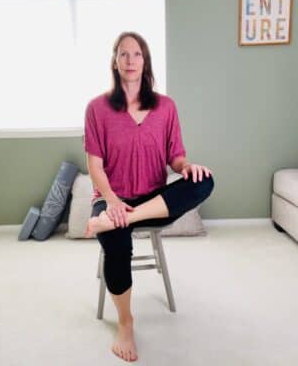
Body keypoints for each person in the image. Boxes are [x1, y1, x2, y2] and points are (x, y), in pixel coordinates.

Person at [83, 31, 215, 363]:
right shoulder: (97, 109)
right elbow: (95, 167)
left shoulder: (165, 107)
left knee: (204, 181)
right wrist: (112, 202)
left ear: (146, 60)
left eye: (137, 54)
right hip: (112, 197)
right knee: (116, 241)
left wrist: (187, 167)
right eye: (123, 54)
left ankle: (123, 220)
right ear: (115, 60)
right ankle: (125, 324)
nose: (130, 60)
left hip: (151, 200)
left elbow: (176, 158)